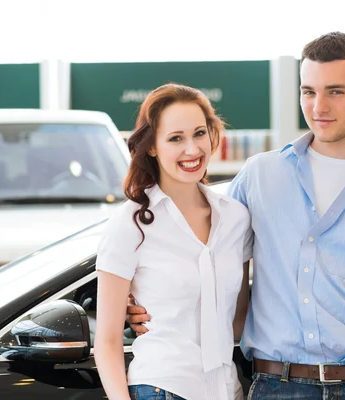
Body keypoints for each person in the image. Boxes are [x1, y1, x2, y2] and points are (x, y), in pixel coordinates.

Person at [129, 32, 345, 400]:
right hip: (274, 386)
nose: (318, 106)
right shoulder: (259, 175)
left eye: (335, 91)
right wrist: (140, 302)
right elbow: (199, 247)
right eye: (308, 91)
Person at [94, 83, 253, 400]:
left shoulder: (236, 218)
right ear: (152, 146)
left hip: (227, 390)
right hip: (163, 388)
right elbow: (107, 341)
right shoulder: (131, 224)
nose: (192, 150)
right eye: (176, 138)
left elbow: (238, 320)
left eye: (199, 133)